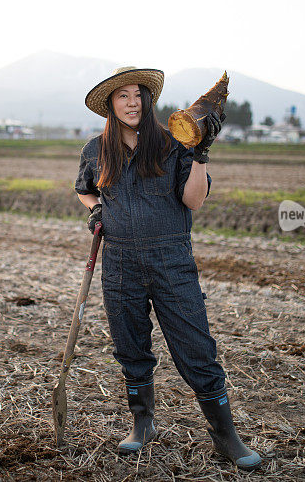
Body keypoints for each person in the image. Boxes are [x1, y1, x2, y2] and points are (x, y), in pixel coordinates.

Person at [74, 66, 262, 470]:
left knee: (196, 348)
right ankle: (143, 424)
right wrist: (95, 213)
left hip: (171, 259)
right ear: (110, 104)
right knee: (130, 345)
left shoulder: (175, 143)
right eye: (122, 96)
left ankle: (226, 437)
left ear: (149, 99)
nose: (132, 102)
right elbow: (85, 190)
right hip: (119, 261)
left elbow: (194, 201)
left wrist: (201, 154)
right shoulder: (95, 150)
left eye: (138, 94)